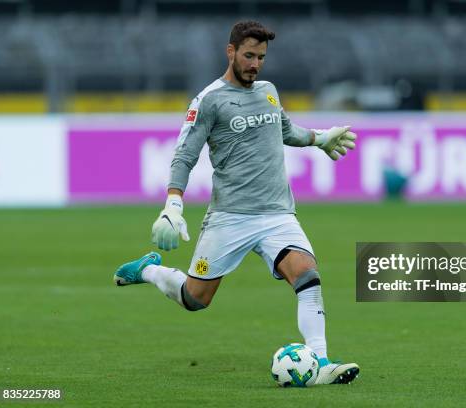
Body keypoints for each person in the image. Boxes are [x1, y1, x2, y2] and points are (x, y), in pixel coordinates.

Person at [114, 20, 359, 385]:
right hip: (230, 217)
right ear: (230, 52)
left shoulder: (269, 91)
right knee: (195, 299)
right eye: (248, 55)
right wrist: (173, 204)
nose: (255, 63)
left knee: (308, 277)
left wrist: (318, 138)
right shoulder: (209, 100)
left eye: (261, 57)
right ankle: (148, 270)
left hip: (277, 214)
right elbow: (184, 156)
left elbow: (285, 130)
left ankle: (320, 362)